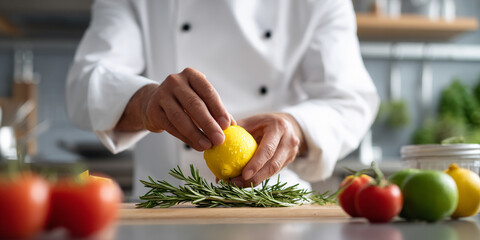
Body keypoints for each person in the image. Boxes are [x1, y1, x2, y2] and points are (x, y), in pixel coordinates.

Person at [66, 0, 379, 197]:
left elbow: (349, 100)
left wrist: (295, 126)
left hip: (278, 209)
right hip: (168, 210)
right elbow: (85, 84)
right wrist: (146, 101)